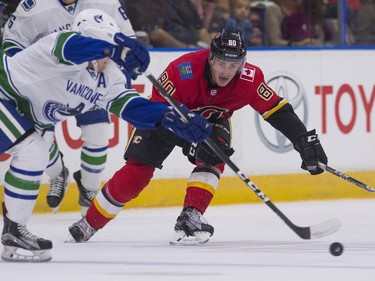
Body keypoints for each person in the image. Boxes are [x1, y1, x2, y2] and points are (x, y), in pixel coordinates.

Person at [67, 29, 328, 245]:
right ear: (211, 59)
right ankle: (88, 224)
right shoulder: (183, 70)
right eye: (221, 63)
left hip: (211, 121)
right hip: (162, 118)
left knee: (216, 154)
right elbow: (159, 113)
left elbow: (276, 110)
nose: (226, 71)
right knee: (137, 175)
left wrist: (302, 139)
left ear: (242, 65)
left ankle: (191, 216)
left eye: (233, 64)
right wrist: (192, 141)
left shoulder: (249, 79)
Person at [0, 8, 211, 262]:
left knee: (33, 153)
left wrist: (170, 118)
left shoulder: (108, 76)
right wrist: (112, 49)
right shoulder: (60, 43)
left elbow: (130, 105)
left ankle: (13, 230)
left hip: (27, 120)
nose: (107, 60)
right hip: (5, 95)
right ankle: (13, 229)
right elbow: (73, 46)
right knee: (33, 149)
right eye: (104, 47)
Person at [2, 0, 138, 215]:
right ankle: (58, 174)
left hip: (91, 79)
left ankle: (89, 189)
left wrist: (124, 70)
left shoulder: (106, 3)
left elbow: (129, 41)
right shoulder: (34, 5)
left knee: (98, 134)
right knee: (39, 144)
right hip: (47, 82)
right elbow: (12, 43)